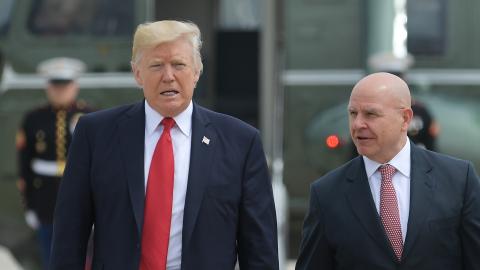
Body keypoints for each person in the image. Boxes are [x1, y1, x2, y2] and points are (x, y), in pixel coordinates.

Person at [50, 20, 279, 270]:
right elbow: (69, 234)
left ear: (196, 72)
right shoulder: (95, 134)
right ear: (137, 74)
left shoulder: (241, 143)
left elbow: (260, 248)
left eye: (179, 65)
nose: (168, 76)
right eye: (156, 65)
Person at [296, 72, 480, 269]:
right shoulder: (326, 194)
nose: (358, 124)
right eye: (352, 113)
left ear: (405, 118)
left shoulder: (459, 180)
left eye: (371, 114)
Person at [16, 57, 91, 270]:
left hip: (80, 197)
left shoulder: (90, 116)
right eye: (55, 86)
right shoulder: (33, 118)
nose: (60, 91)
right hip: (46, 200)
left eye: (65, 86)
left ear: (75, 86)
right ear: (48, 88)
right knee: (49, 255)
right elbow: (24, 164)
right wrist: (29, 205)